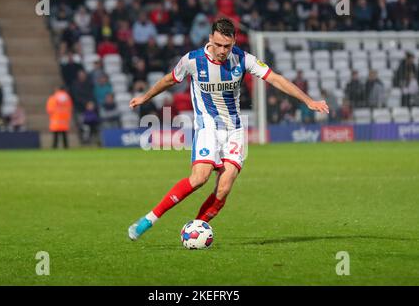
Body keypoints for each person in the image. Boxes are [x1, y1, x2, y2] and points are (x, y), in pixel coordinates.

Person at [127, 18, 329, 241]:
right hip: (207, 127)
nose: (223, 51)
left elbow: (276, 79)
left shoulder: (243, 59)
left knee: (223, 188)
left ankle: (196, 231)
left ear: (233, 42)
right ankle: (149, 219)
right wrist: (145, 97)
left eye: (227, 46)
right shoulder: (192, 60)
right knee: (199, 178)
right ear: (210, 39)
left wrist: (308, 101)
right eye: (219, 45)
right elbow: (168, 80)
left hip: (234, 130)